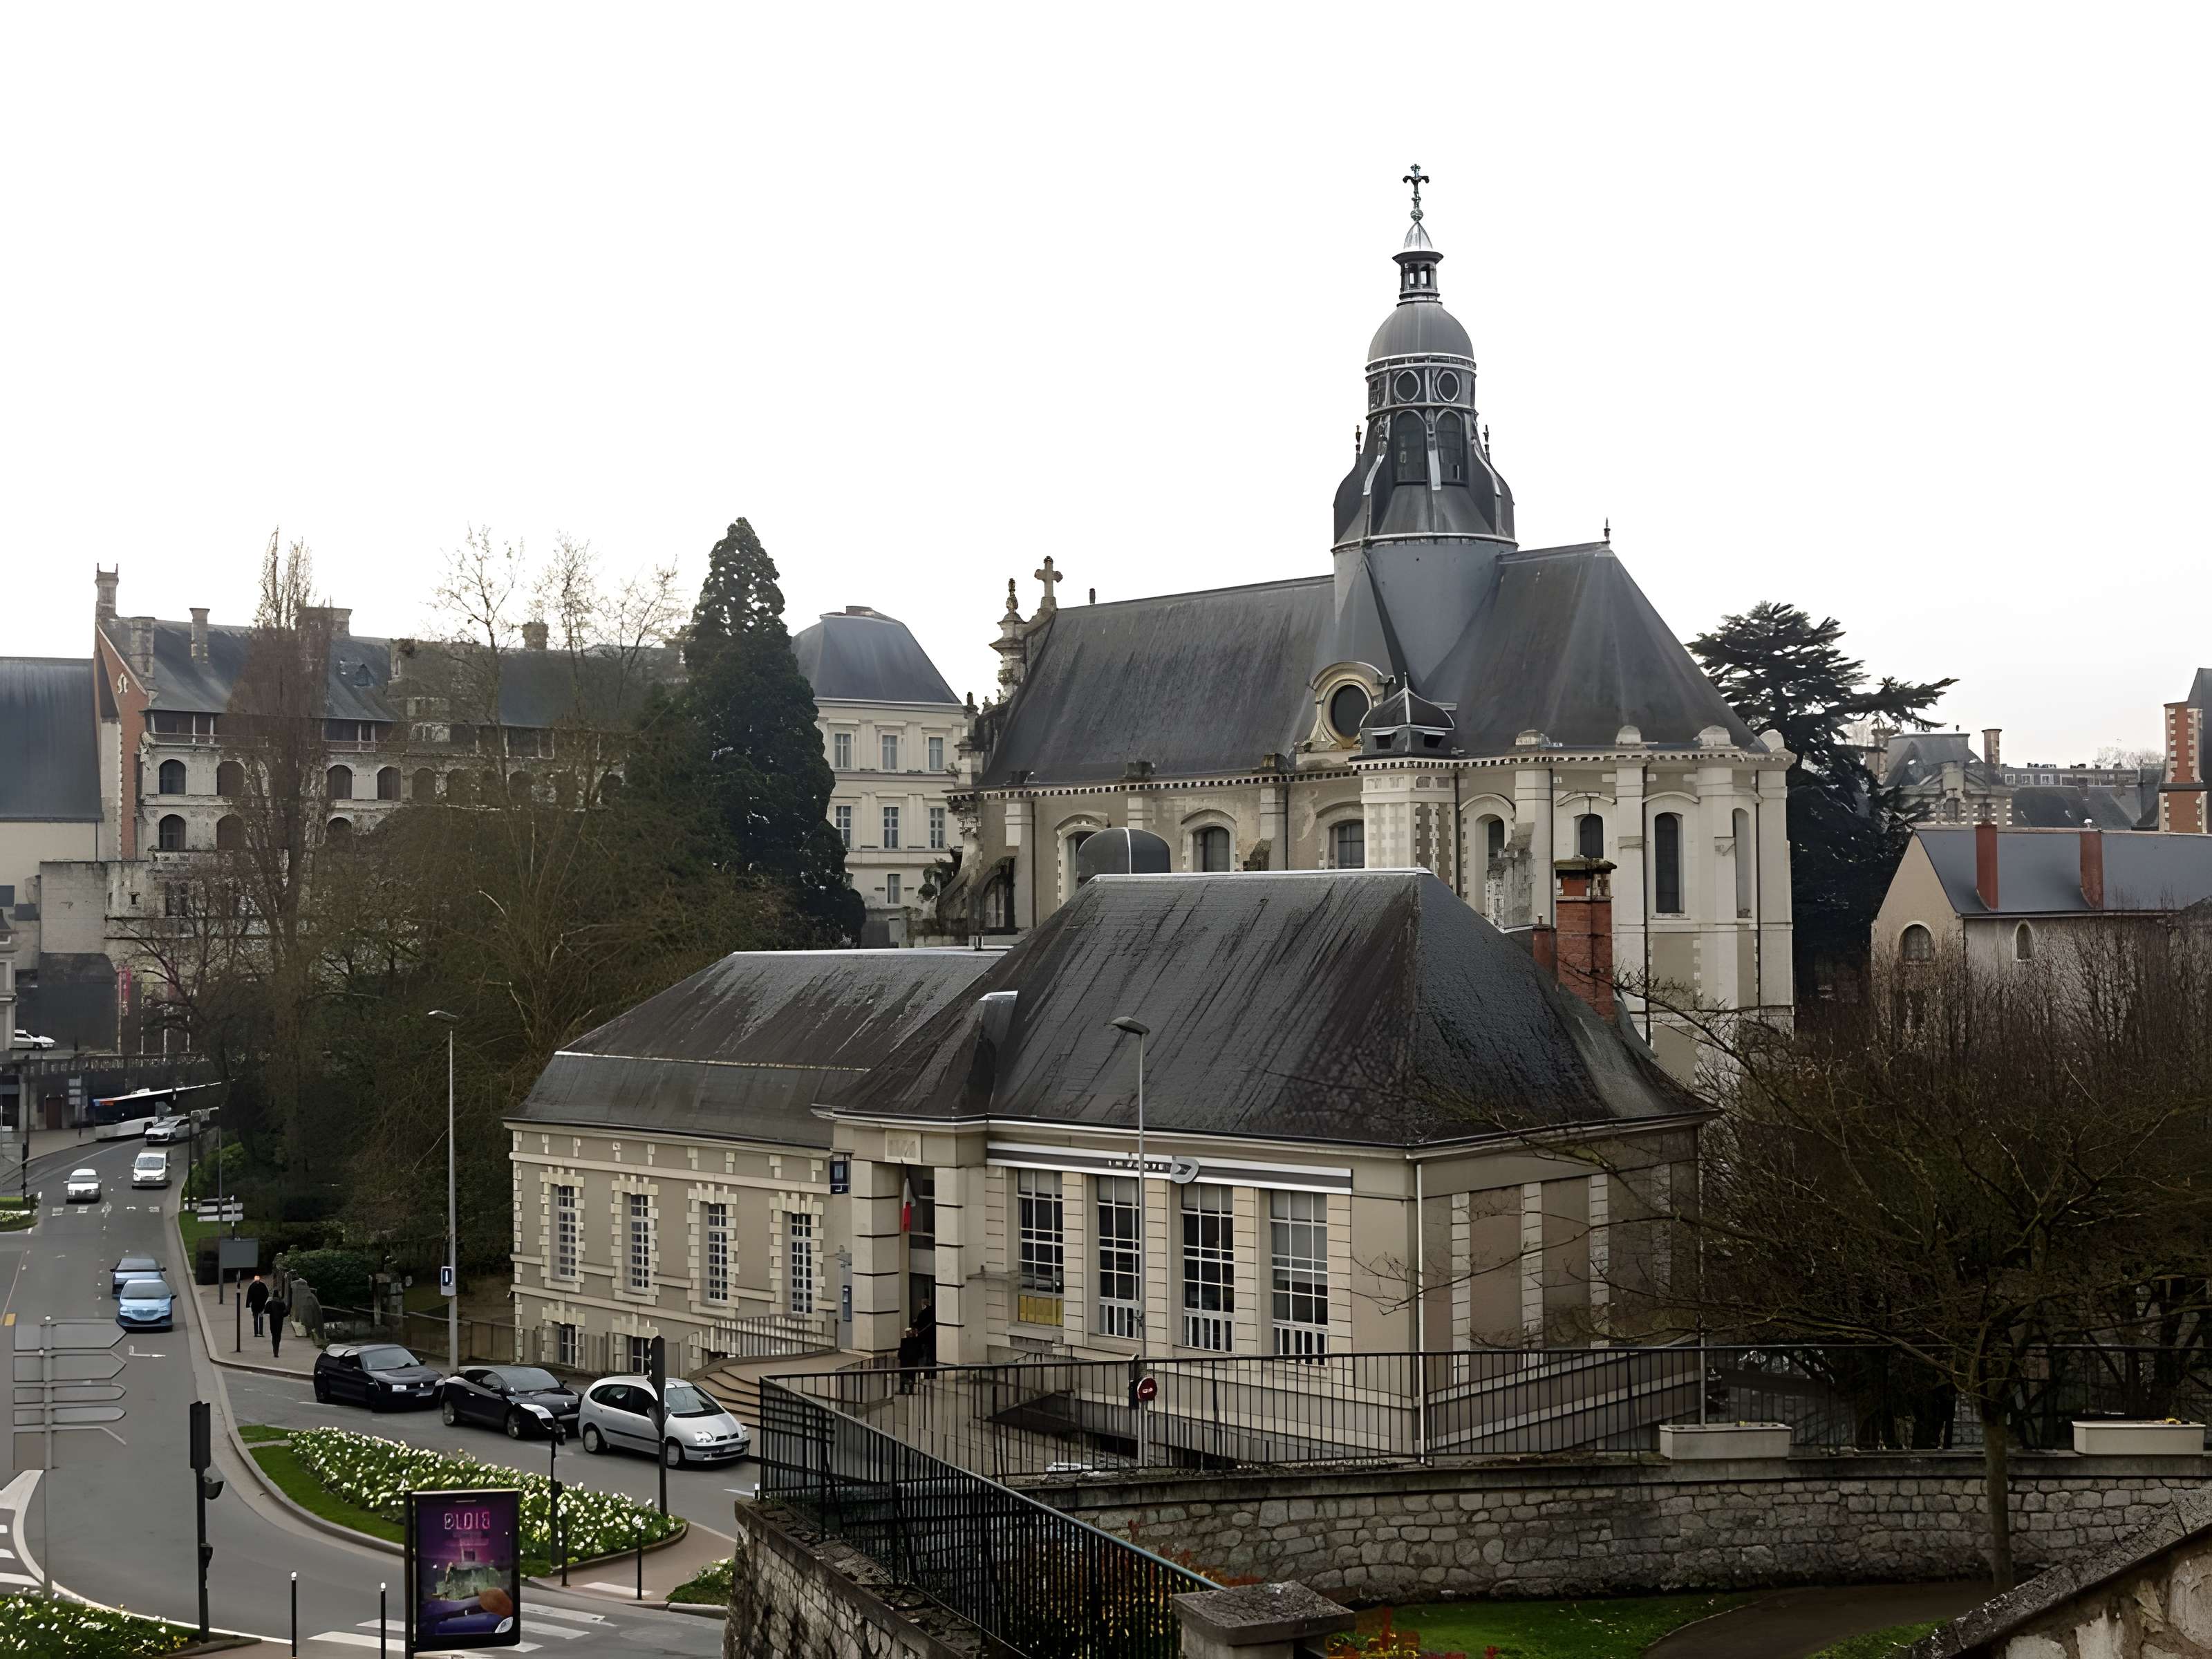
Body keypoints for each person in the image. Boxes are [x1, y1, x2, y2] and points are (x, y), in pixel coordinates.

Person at [266, 1286, 290, 1358]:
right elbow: (286, 1313)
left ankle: (274, 1351)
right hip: (279, 1323)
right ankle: (277, 1351)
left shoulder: (270, 1303)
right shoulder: (281, 1303)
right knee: (278, 1337)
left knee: (274, 1337)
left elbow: (266, 1311)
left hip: (272, 1322)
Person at [245, 1273, 270, 1338]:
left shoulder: (252, 1286)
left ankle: (256, 1333)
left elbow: (249, 1295)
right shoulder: (263, 1285)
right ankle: (261, 1333)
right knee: (261, 1318)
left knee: (255, 1319)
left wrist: (249, 1303)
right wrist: (264, 1301)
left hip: (254, 1306)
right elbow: (267, 1294)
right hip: (261, 1305)